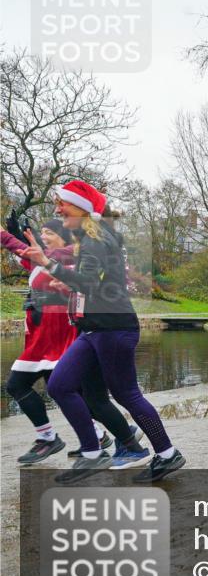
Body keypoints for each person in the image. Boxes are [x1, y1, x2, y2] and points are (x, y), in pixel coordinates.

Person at [20, 180, 184, 483]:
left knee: (126, 394)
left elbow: (91, 283)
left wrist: (48, 264)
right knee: (60, 385)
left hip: (113, 329)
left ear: (81, 209)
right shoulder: (89, 239)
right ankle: (93, 454)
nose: (57, 209)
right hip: (93, 329)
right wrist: (65, 282)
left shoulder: (96, 239)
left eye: (63, 204)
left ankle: (166, 453)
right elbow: (94, 283)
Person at [2, 219, 144, 466]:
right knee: (34, 387)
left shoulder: (71, 257)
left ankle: (121, 437)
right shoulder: (42, 258)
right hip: (40, 338)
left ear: (64, 236)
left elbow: (80, 284)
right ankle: (89, 437)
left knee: (82, 396)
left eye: (49, 233)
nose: (43, 237)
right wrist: (8, 236)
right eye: (42, 232)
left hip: (65, 334)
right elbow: (20, 249)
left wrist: (10, 237)